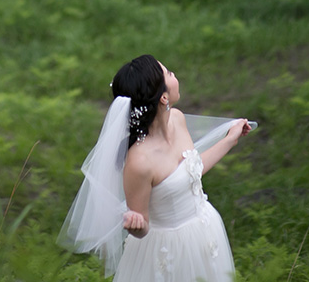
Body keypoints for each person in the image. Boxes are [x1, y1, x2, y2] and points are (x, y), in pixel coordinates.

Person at [59, 54, 254, 281]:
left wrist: (229, 140)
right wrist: (135, 225)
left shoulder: (178, 120)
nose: (175, 75)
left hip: (204, 230)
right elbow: (142, 226)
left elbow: (191, 173)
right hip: (168, 252)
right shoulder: (139, 162)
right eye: (169, 73)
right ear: (163, 97)